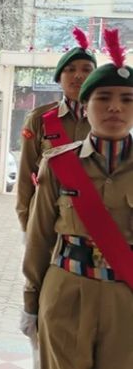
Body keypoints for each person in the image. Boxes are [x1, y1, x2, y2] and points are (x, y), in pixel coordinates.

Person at [21, 28, 133, 368]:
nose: (115, 107)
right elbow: (39, 238)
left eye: (127, 100)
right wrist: (30, 302)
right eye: (103, 98)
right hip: (66, 291)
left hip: (126, 298)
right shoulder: (58, 164)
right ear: (85, 107)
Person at [15, 27, 97, 232]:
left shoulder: (109, 121)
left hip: (96, 224)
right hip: (47, 221)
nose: (78, 75)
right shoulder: (39, 120)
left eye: (86, 69)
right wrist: (26, 222)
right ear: (59, 78)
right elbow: (26, 174)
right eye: (70, 69)